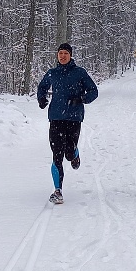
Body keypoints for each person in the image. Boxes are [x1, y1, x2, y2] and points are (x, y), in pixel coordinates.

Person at [37, 43, 98, 204]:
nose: (62, 56)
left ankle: (75, 154)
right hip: (56, 117)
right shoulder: (53, 73)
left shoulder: (79, 73)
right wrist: (41, 99)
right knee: (57, 153)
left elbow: (94, 91)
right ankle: (58, 191)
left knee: (68, 153)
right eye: (60, 53)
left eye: (65, 53)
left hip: (74, 117)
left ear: (70, 55)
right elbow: (42, 87)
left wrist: (82, 99)